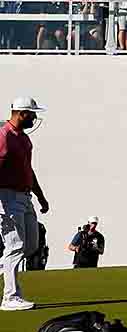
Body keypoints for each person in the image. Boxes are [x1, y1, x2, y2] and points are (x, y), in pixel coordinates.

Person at [0, 97, 50, 311]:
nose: (35, 118)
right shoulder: (4, 137)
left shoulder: (24, 139)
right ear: (22, 113)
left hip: (25, 197)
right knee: (15, 247)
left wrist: (40, 196)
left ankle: (9, 278)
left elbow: (28, 170)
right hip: (7, 197)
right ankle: (10, 297)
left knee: (30, 245)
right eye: (33, 114)